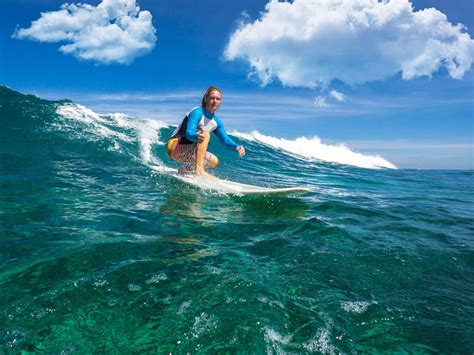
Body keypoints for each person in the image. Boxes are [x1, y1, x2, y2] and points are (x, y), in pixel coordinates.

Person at [166, 86, 245, 178]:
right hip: (174, 146)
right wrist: (197, 136)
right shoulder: (197, 112)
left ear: (220, 102)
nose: (215, 101)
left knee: (214, 161)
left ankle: (185, 170)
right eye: (212, 98)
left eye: (218, 99)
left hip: (187, 154)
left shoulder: (216, 122)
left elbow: (225, 139)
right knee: (205, 134)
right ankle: (199, 171)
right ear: (206, 99)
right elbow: (189, 133)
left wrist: (236, 146)